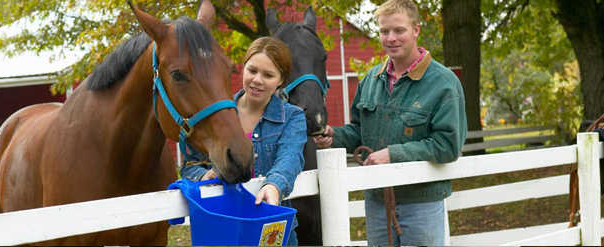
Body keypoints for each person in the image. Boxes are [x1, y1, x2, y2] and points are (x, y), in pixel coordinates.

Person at [313, 0, 467, 245]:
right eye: (384, 31)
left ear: (416, 29)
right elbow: (359, 131)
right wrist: (335, 136)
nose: (391, 38)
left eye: (399, 30)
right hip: (377, 201)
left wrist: (393, 154)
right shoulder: (370, 80)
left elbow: (448, 145)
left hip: (421, 202)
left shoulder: (444, 83)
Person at [180, 37, 307, 246]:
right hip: (223, 225)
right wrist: (205, 175)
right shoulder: (215, 114)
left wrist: (274, 186)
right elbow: (190, 164)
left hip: (269, 227)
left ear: (281, 80)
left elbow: (290, 158)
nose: (257, 80)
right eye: (252, 70)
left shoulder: (293, 117)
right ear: (244, 67)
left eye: (268, 75)